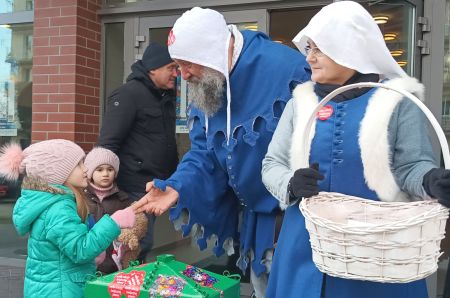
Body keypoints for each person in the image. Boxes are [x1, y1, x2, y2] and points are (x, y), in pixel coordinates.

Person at [261, 1, 450, 298]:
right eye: (308, 48)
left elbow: (411, 167)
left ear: (349, 48)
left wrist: (430, 180)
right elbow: (272, 164)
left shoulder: (396, 101)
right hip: (304, 249)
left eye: (318, 48)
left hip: (377, 253)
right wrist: (291, 183)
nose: (309, 57)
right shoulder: (300, 102)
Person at [134, 7, 310, 297]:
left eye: (188, 63)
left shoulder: (288, 70)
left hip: (296, 219)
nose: (184, 75)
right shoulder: (209, 84)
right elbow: (204, 153)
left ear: (213, 51)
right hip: (256, 219)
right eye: (177, 65)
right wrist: (177, 187)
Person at [0, 139, 136, 298]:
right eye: (79, 165)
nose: (85, 169)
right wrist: (114, 222)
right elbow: (80, 250)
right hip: (61, 291)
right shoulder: (59, 208)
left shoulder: (51, 202)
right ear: (58, 173)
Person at [98, 42, 179, 262]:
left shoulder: (165, 97)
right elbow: (107, 144)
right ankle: (123, 289)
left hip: (156, 186)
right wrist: (106, 187)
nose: (176, 73)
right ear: (153, 68)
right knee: (134, 244)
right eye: (171, 67)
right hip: (132, 187)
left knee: (142, 243)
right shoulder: (128, 95)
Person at [83, 146, 134, 274]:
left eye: (110, 169)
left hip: (113, 263)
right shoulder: (81, 198)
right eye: (99, 170)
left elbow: (133, 228)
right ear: (90, 173)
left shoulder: (123, 199)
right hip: (86, 261)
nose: (105, 174)